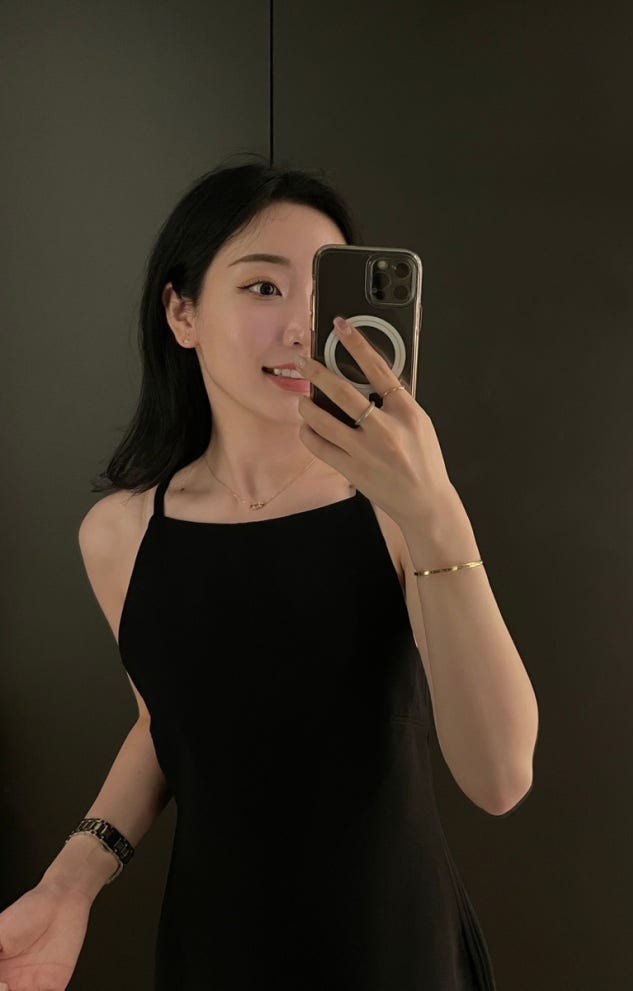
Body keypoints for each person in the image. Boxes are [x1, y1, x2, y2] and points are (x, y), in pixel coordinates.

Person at [0, 154, 537, 990]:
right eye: (262, 287)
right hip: (214, 953)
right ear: (181, 312)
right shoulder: (120, 534)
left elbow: (500, 777)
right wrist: (71, 883)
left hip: (395, 952)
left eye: (322, 292)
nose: (300, 326)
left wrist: (435, 512)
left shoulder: (396, 509)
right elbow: (166, 726)